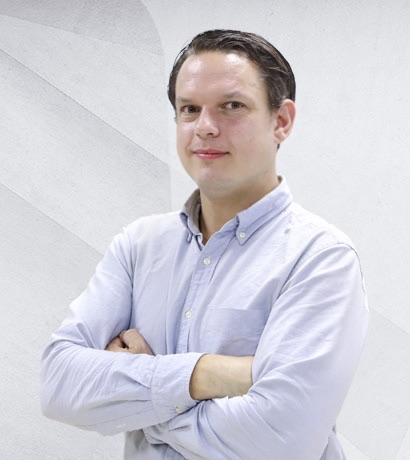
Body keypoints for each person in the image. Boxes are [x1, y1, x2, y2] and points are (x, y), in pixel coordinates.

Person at [41, 29, 369, 459]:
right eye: (190, 109)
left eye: (232, 106)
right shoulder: (139, 246)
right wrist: (209, 374)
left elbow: (281, 441)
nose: (205, 128)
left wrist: (139, 396)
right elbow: (58, 384)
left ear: (281, 121)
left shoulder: (321, 258)